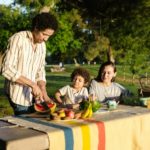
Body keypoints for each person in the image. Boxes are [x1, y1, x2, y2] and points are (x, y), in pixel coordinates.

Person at [2, 12, 58, 115]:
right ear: (36, 28)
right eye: (44, 34)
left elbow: (40, 70)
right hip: (18, 95)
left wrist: (43, 91)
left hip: (35, 97)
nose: (46, 39)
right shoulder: (18, 39)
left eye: (49, 36)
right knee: (25, 128)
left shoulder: (42, 46)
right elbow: (7, 69)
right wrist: (32, 85)